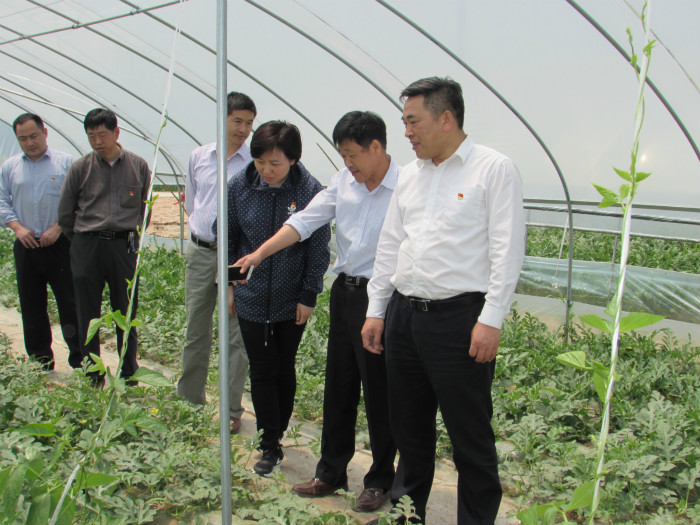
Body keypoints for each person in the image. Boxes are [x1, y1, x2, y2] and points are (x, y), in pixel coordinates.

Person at [361, 77, 526, 525]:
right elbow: (390, 246)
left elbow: (507, 250)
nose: (407, 133)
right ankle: (407, 516)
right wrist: (377, 310)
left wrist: (491, 318)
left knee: (469, 435)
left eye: (413, 122)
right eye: (404, 123)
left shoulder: (493, 169)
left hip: (459, 320)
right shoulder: (410, 176)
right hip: (405, 317)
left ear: (446, 119)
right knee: (409, 430)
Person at [234, 111, 400, 511]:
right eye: (342, 155)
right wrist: (258, 254)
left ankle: (380, 480)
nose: (347, 163)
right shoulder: (343, 182)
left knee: (379, 392)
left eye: (352, 154)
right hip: (347, 294)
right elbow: (305, 222)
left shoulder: (406, 187)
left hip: (385, 297)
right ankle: (330, 472)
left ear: (376, 147)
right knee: (339, 387)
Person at [223, 121, 330, 477]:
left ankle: (277, 432)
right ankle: (269, 445)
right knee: (261, 368)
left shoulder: (310, 189)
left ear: (294, 159)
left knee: (284, 366)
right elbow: (228, 237)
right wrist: (230, 286)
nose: (266, 170)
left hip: (291, 297)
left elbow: (318, 247)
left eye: (275, 163)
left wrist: (308, 294)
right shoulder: (239, 186)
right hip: (251, 295)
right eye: (259, 162)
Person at [176, 92, 255, 434]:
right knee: (196, 328)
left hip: (237, 256)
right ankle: (189, 402)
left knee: (236, 335)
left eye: (249, 123)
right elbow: (193, 203)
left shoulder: (253, 163)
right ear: (223, 118)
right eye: (237, 121)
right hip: (201, 251)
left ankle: (232, 409)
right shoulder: (199, 156)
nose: (243, 129)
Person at [57, 108, 151, 386]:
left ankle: (128, 371)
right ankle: (92, 373)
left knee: (126, 309)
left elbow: (144, 210)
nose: (97, 142)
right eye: (91, 136)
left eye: (102, 135)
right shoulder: (80, 168)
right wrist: (82, 242)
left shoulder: (138, 166)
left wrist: (132, 237)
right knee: (87, 311)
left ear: (116, 133)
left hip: (123, 246)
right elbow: (65, 214)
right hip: (87, 245)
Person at [0, 113, 81, 371]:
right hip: (26, 245)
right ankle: (40, 362)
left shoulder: (66, 163)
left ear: (45, 132)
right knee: (31, 304)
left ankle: (81, 361)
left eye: (33, 136)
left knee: (70, 302)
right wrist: (17, 228)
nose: (29, 142)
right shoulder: (10, 167)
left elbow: (80, 201)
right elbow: (2, 201)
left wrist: (58, 228)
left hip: (60, 244)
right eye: (22, 138)